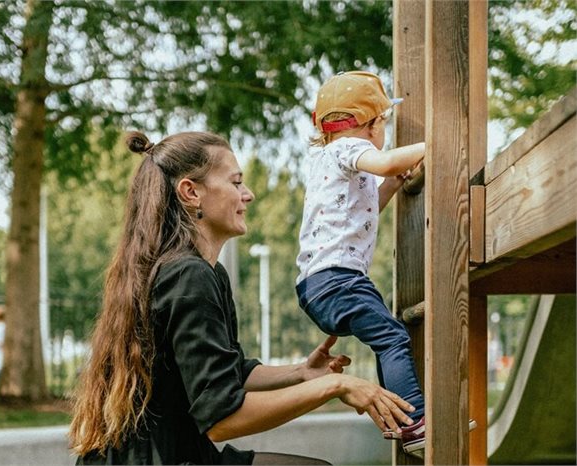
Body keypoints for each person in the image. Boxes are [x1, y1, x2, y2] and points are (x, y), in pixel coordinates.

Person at [69, 130, 415, 465]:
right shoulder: (189, 275)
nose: (247, 194)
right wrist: (336, 386)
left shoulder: (206, 273)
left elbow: (226, 371)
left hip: (182, 454)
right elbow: (223, 418)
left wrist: (301, 373)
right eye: (235, 182)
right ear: (190, 192)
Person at [296, 71, 474, 455]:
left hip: (318, 284)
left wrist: (393, 184)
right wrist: (439, 143)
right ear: (371, 124)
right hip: (336, 279)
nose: (383, 135)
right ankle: (415, 423)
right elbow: (388, 160)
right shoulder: (346, 149)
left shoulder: (328, 161)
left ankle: (403, 423)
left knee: (385, 339)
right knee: (394, 337)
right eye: (383, 125)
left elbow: (365, 212)